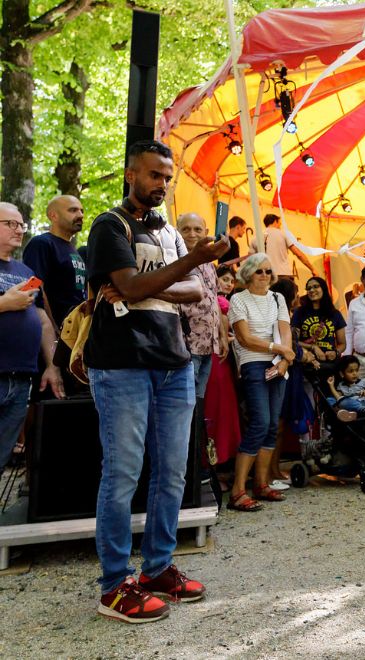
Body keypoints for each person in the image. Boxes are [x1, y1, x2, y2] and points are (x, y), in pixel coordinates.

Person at [84, 140, 228, 622]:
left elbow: (194, 291)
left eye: (166, 176)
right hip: (121, 364)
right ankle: (113, 586)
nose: (161, 184)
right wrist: (184, 265)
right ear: (130, 175)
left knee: (171, 472)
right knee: (123, 473)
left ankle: (159, 568)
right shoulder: (109, 225)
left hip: (175, 361)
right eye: (152, 175)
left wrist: (155, 279)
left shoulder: (167, 231)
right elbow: (132, 287)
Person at [227, 253, 294, 512]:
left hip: (278, 363)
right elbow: (244, 338)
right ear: (248, 274)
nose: (265, 275)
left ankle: (262, 483)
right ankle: (238, 491)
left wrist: (285, 360)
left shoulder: (277, 298)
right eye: (259, 271)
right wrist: (279, 349)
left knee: (272, 425)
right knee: (259, 423)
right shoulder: (238, 299)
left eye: (268, 271)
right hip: (253, 363)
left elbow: (285, 330)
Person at [0, 202, 64, 470]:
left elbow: (42, 321)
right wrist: (4, 303)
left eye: (21, 225)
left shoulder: (28, 273)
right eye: (10, 224)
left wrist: (52, 366)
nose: (19, 230)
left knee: (2, 457)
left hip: (22, 378)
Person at [177, 213, 226, 398]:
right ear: (177, 232)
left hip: (208, 344)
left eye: (197, 229)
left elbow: (214, 301)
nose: (192, 234)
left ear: (206, 233)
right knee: (185, 400)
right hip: (186, 345)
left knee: (199, 399)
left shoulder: (210, 265)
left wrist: (221, 334)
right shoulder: (174, 262)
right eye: (186, 229)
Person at [22, 194, 86, 327]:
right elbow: (34, 286)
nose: (81, 215)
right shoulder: (42, 243)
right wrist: (52, 328)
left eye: (82, 211)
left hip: (76, 331)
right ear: (53, 216)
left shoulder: (73, 250)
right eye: (73, 210)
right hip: (54, 331)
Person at [204, 264, 241, 466]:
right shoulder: (219, 302)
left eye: (231, 281)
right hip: (216, 360)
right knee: (218, 408)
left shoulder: (223, 302)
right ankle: (215, 461)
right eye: (224, 279)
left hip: (221, 361)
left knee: (221, 408)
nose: (228, 283)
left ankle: (216, 461)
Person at [291, 276, 347, 366]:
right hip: (306, 364)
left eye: (316, 286)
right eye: (309, 288)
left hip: (329, 365)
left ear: (323, 289)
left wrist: (335, 353)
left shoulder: (335, 314)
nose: (312, 290)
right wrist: (313, 347)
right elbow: (293, 341)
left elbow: (342, 344)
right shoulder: (299, 312)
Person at [250, 213, 317, 282]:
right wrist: (312, 269)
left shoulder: (255, 238)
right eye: (279, 223)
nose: (280, 226)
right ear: (275, 221)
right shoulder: (283, 234)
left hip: (265, 278)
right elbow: (298, 254)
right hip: (284, 275)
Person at [325, 355, 365, 422]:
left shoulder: (364, 381)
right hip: (348, 408)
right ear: (342, 374)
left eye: (356, 370)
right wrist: (331, 385)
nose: (355, 373)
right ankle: (342, 413)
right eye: (350, 371)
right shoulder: (341, 385)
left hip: (363, 405)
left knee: (344, 402)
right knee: (330, 399)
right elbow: (339, 399)